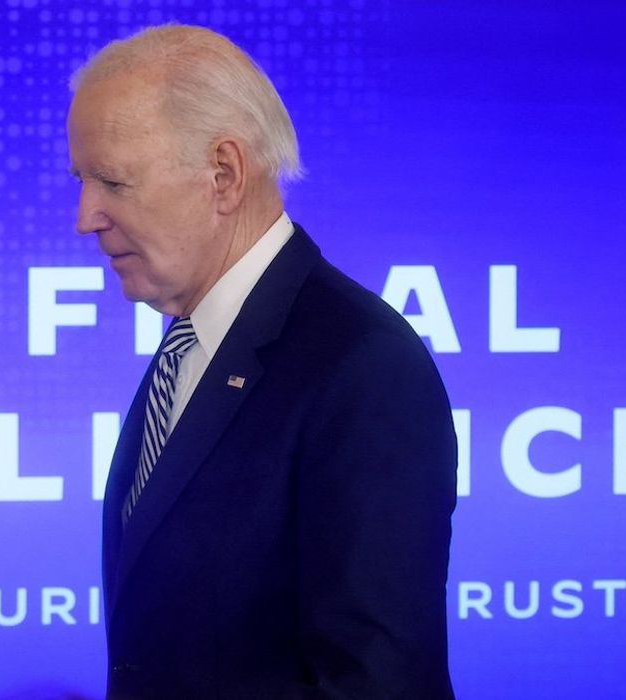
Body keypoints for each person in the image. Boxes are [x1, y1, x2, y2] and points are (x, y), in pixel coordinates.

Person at [67, 25, 458, 699]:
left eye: (111, 181)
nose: (85, 216)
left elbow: (377, 680)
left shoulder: (360, 365)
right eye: (81, 180)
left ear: (223, 174)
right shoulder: (195, 336)